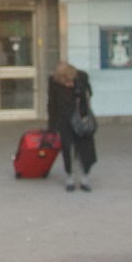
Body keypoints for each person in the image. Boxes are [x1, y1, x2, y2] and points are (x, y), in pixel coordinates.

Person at [47, 61, 97, 192]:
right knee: (67, 147)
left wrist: (78, 88)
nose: (67, 84)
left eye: (70, 80)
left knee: (86, 148)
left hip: (82, 117)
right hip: (64, 119)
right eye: (64, 82)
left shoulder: (82, 76)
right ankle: (69, 176)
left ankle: (85, 178)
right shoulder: (53, 81)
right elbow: (52, 103)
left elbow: (89, 93)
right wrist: (52, 127)